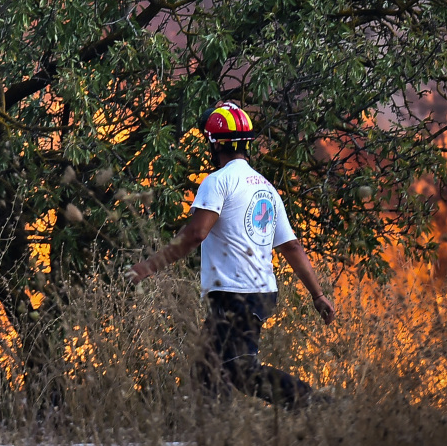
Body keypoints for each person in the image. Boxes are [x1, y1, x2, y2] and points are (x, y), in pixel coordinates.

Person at [128, 102, 335, 409]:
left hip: (234, 294)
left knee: (240, 370)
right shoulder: (267, 188)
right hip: (261, 292)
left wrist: (148, 266)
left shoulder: (218, 182)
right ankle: (218, 440)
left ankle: (313, 403)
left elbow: (196, 233)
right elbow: (291, 247)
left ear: (213, 144)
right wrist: (317, 295)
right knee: (208, 371)